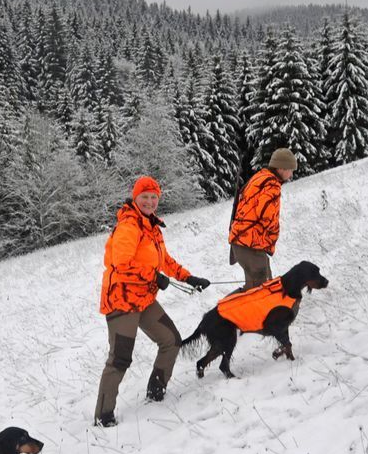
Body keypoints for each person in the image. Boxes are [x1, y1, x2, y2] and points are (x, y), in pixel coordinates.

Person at [95, 175, 207, 426]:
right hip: (122, 300)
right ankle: (103, 416)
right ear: (135, 198)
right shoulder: (129, 226)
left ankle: (156, 392)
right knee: (120, 359)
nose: (149, 201)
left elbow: (163, 260)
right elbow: (121, 266)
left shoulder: (151, 226)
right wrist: (153, 277)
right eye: (144, 197)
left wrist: (189, 278)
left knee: (171, 340)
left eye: (153, 197)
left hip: (144, 299)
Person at [227, 148, 297, 289]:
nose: (292, 174)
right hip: (250, 244)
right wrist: (273, 235)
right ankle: (227, 310)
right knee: (261, 290)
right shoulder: (271, 184)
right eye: (291, 169)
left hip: (243, 241)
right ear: (281, 168)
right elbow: (267, 215)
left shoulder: (260, 177)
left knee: (259, 285)